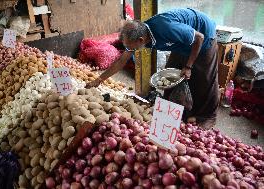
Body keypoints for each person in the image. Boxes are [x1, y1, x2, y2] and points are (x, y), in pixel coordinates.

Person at [86, 8, 219, 129]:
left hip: (204, 36)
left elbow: (199, 38)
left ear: (141, 40)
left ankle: (207, 117)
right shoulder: (141, 34)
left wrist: (188, 66)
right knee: (171, 77)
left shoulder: (166, 28)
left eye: (132, 47)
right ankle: (176, 112)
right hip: (181, 43)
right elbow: (121, 61)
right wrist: (98, 80)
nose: (131, 50)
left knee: (205, 79)